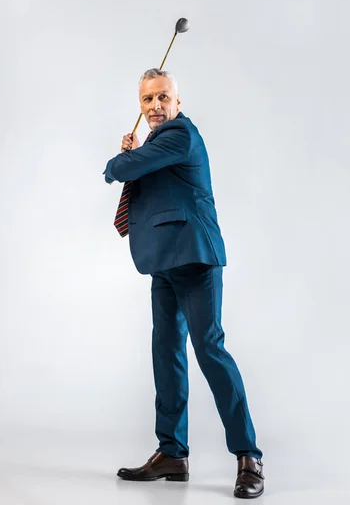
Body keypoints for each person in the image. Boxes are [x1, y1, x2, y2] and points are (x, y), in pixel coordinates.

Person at [102, 68, 264, 499]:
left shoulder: (180, 135)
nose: (155, 106)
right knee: (167, 353)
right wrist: (136, 157)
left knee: (209, 349)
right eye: (146, 100)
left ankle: (249, 456)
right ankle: (172, 452)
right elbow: (141, 177)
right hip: (165, 263)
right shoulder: (157, 146)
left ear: (178, 100)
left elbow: (115, 170)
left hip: (195, 259)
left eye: (162, 97)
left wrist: (125, 159)